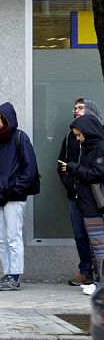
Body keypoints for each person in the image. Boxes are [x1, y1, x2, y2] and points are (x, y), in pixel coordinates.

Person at [0, 103, 39, 291]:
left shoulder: (20, 137)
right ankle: (7, 273)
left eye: (1, 118)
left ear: (9, 119)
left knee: (13, 236)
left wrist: (14, 189)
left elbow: (30, 167)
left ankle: (14, 276)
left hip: (13, 197)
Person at [59, 98, 103, 286]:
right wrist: (71, 184)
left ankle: (98, 281)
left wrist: (74, 169)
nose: (76, 110)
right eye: (75, 107)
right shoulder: (71, 137)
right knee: (82, 237)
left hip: (95, 202)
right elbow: (62, 163)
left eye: (80, 108)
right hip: (78, 196)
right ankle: (87, 273)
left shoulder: (97, 143)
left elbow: (96, 172)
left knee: (97, 243)